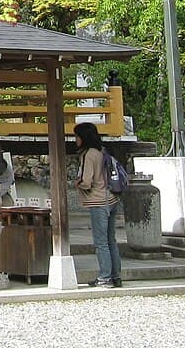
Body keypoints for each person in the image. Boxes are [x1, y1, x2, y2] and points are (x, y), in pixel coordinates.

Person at [74, 121, 121, 288]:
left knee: (101, 242)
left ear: (83, 137)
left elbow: (87, 182)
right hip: (112, 199)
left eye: (77, 136)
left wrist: (77, 183)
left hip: (98, 201)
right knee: (111, 240)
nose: (75, 140)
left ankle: (105, 277)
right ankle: (116, 276)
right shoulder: (103, 151)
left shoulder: (89, 154)